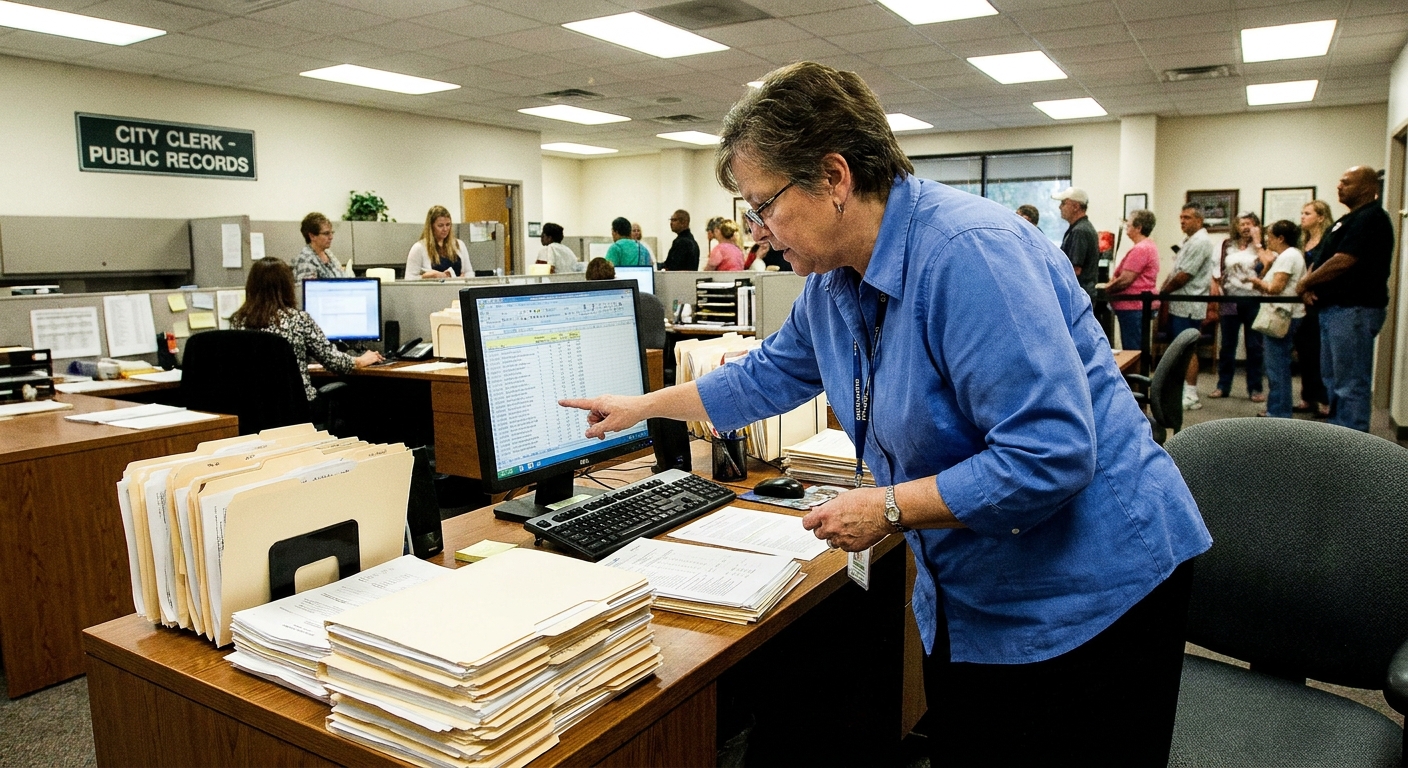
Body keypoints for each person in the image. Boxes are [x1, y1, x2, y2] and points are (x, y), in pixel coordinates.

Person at [561, 61, 1209, 767]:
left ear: (834, 177)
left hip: (1088, 595)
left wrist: (891, 508)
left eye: (764, 206)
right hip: (972, 587)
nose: (759, 234)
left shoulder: (967, 255)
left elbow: (1046, 454)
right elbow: (767, 376)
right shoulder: (833, 281)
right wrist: (641, 407)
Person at [1298, 165, 1396, 432]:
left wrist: (1306, 282)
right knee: (1333, 380)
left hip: (1354, 310)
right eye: (1340, 182)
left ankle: (1354, 448)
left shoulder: (1372, 218)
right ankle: (1338, 436)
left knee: (1350, 384)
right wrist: (1309, 286)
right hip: (1333, 310)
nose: (1339, 186)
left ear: (1367, 187)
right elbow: (1322, 258)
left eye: (1347, 182)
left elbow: (1344, 260)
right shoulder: (1346, 220)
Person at [230, 257, 380, 402]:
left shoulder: (237, 321)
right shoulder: (298, 319)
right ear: (287, 287)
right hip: (296, 407)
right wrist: (360, 360)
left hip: (252, 409)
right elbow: (334, 361)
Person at [1161, 204, 1215, 410]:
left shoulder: (1201, 242)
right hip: (1180, 304)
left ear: (1199, 220)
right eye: (1181, 217)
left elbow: (1184, 275)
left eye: (1188, 217)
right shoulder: (1189, 241)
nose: (1182, 221)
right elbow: (1176, 270)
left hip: (1189, 304)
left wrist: (1163, 292)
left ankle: (1191, 394)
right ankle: (1185, 389)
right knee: (1181, 348)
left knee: (1187, 349)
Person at [1250, 219, 1306, 419]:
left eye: (1270, 237)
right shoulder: (1290, 255)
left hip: (1282, 316)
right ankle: (1277, 407)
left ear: (1281, 238)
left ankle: (1279, 412)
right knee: (1278, 365)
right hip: (1286, 314)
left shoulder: (1289, 256)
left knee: (1277, 366)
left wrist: (1256, 282)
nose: (1268, 240)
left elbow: (1275, 287)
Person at [1209, 213, 1265, 402]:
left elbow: (1267, 265)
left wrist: (1258, 242)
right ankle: (1222, 385)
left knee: (1254, 346)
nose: (1245, 227)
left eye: (1249, 223)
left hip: (1254, 300)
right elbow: (1215, 269)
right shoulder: (1226, 245)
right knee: (1227, 345)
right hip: (1229, 300)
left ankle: (1255, 388)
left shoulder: (1261, 245)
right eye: (1242, 224)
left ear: (1256, 226)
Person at [1294, 200, 1334, 417]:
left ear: (1320, 217)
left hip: (1320, 302)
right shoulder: (1303, 242)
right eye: (1302, 213)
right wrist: (1303, 290)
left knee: (1321, 353)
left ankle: (1324, 400)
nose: (1302, 217)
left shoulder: (1327, 241)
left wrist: (1308, 287)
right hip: (1302, 302)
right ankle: (1307, 397)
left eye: (1307, 213)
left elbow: (1323, 270)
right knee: (1305, 351)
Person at [1102, 209, 1159, 352]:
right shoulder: (1147, 246)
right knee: (1136, 345)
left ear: (1139, 227)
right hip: (1136, 307)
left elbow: (1125, 280)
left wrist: (1106, 289)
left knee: (1133, 349)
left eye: (1129, 222)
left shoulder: (1141, 249)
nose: (1126, 224)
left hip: (1133, 307)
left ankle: (1135, 374)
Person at [1053, 187, 1099, 301]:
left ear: (1076, 206)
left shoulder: (1080, 231)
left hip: (1078, 296)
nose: (1060, 207)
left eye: (1063, 203)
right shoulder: (1081, 228)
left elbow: (1075, 269)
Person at [404, 205, 465, 280]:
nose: (445, 229)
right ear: (431, 227)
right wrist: (426, 277)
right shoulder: (419, 248)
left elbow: (469, 272)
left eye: (448, 225)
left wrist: (464, 279)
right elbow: (409, 278)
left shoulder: (459, 245)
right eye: (440, 225)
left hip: (457, 290)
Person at [292, 212, 345, 281]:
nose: (331, 237)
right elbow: (308, 289)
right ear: (312, 236)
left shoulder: (328, 253)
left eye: (332, 233)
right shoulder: (306, 259)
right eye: (326, 233)